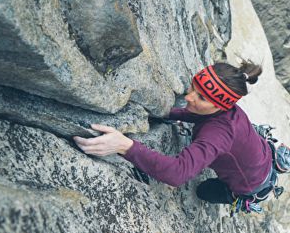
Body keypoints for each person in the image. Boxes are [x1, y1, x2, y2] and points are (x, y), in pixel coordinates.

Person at [74, 61, 275, 205]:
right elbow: (200, 116)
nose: (188, 97)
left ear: (220, 106)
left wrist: (125, 146)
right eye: (193, 87)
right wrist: (161, 111)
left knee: (204, 192)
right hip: (258, 154)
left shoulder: (218, 134)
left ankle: (234, 194)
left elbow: (177, 174)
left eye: (201, 97)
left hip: (251, 183)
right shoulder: (227, 110)